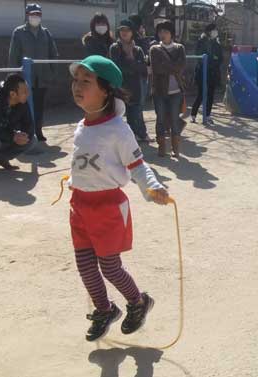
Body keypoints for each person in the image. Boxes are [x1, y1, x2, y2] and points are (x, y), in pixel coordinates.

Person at [68, 55, 171, 341]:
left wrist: (152, 187)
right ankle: (105, 309)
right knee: (85, 265)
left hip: (107, 207)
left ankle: (138, 302)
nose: (77, 86)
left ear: (105, 90)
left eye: (86, 81)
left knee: (109, 266)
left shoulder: (118, 129)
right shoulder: (81, 126)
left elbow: (137, 165)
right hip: (80, 206)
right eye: (76, 80)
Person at [8, 3, 59, 144]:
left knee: (39, 106)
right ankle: (25, 132)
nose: (35, 16)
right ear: (27, 15)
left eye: (38, 14)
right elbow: (13, 56)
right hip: (24, 78)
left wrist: (52, 72)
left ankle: (38, 130)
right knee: (22, 106)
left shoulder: (46, 33)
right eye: (32, 14)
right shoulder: (19, 32)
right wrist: (13, 76)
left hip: (41, 77)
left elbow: (53, 53)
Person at [149, 21, 186, 157]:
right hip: (159, 91)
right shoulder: (154, 49)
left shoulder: (179, 48)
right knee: (160, 119)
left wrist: (167, 66)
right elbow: (157, 69)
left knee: (175, 119)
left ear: (171, 34)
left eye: (166, 31)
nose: (162, 34)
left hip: (176, 91)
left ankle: (175, 147)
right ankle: (162, 146)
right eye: (160, 32)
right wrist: (173, 67)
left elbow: (181, 66)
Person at [110, 19, 150, 143]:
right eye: (122, 30)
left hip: (136, 85)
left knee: (136, 111)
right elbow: (118, 67)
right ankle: (126, 138)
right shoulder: (115, 48)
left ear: (132, 32)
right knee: (120, 112)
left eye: (127, 30)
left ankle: (141, 134)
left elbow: (143, 68)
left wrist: (131, 58)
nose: (125, 32)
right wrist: (133, 64)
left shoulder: (137, 49)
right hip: (121, 85)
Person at [191, 23, 224, 125]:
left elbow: (220, 58)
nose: (216, 32)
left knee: (210, 94)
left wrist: (214, 59)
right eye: (214, 30)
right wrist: (212, 59)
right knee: (201, 94)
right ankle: (193, 114)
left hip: (213, 73)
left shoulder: (217, 43)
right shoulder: (202, 41)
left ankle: (207, 115)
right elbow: (199, 56)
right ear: (209, 32)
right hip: (202, 72)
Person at [128, 14, 155, 109]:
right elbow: (145, 53)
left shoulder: (129, 37)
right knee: (139, 102)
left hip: (136, 73)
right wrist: (145, 39)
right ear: (139, 26)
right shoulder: (138, 39)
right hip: (140, 74)